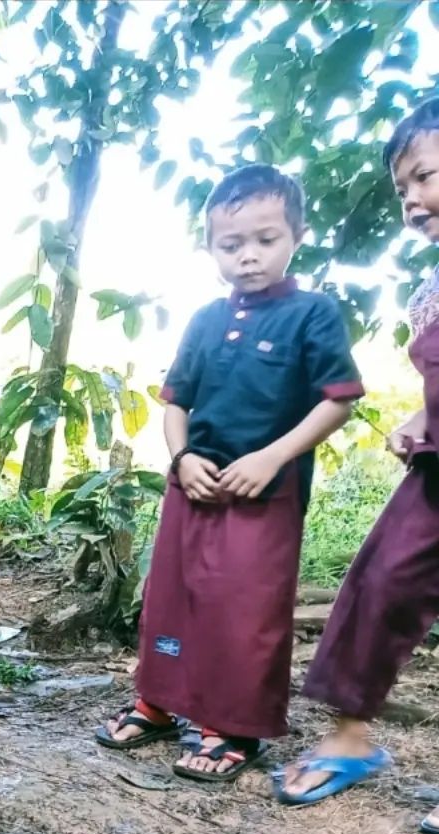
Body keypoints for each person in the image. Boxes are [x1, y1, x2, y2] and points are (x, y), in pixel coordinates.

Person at [95, 164, 363, 782]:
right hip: (195, 486)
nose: (248, 256)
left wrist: (273, 456)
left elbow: (338, 399)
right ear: (211, 246)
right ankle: (159, 702)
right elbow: (176, 403)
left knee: (244, 610)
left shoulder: (312, 314)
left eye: (265, 240)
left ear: (297, 236)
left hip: (266, 492)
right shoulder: (206, 320)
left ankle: (234, 727)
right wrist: (181, 458)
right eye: (231, 244)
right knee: (172, 599)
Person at [282, 101, 439, 825]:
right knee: (379, 582)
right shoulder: (429, 293)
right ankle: (351, 738)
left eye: (425, 177)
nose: (412, 202)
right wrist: (419, 416)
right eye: (403, 190)